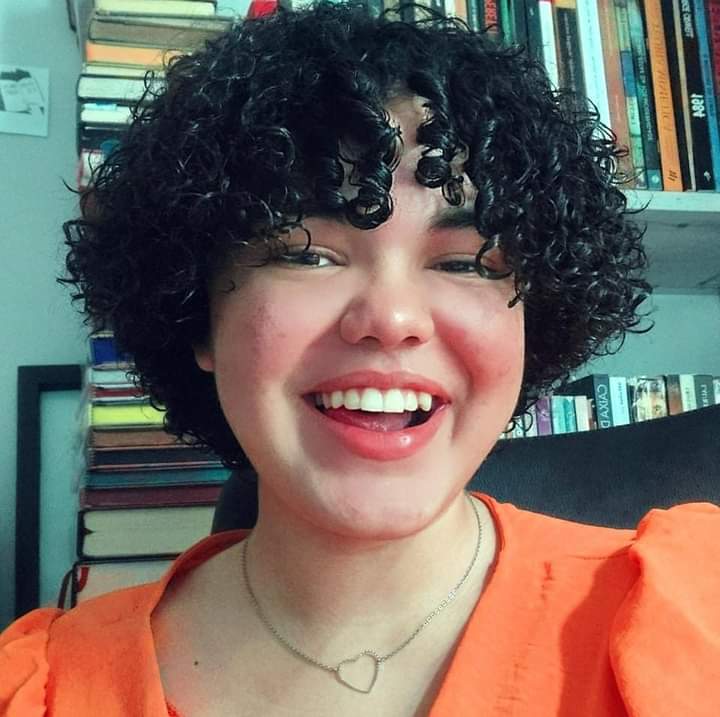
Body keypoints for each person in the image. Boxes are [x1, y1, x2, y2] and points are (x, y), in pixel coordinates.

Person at [2, 3, 718, 715]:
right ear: (197, 316)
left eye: (467, 262)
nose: (392, 320)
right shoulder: (38, 687)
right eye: (306, 254)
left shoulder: (695, 610)